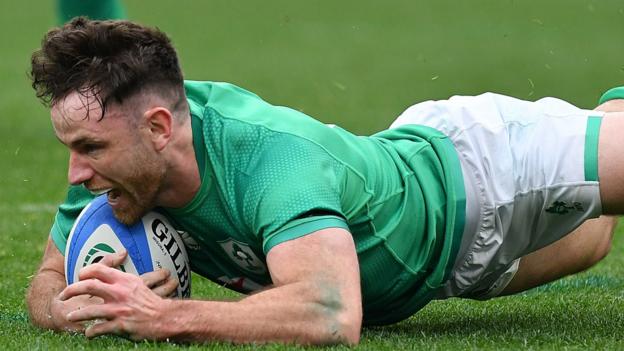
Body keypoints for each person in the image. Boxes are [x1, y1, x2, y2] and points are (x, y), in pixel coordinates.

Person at [25, 17, 623, 345]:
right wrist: (79, 306)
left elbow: (331, 313)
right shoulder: (116, 164)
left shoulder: (270, 158)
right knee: (592, 237)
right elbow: (47, 280)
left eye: (88, 149)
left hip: (486, 170)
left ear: (158, 128)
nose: (77, 172)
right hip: (449, 270)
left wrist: (162, 318)